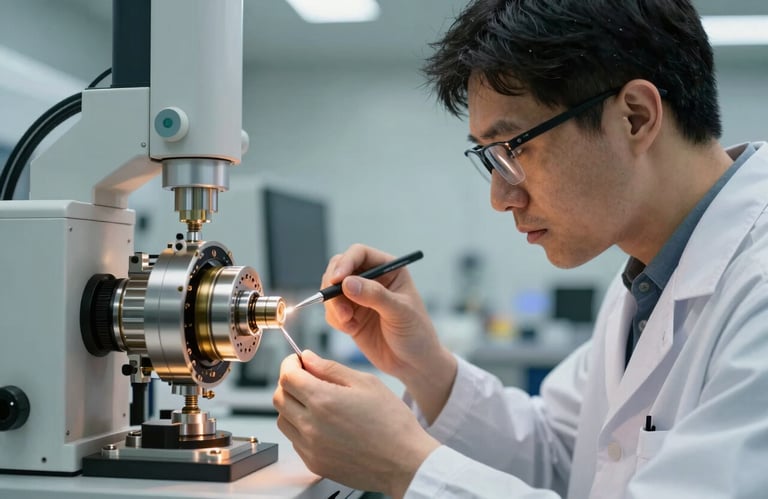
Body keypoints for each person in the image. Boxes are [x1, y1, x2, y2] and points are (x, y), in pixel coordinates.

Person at [272, 0, 768, 497]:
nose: (500, 198)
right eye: (489, 159)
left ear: (635, 117)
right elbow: (556, 453)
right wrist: (425, 366)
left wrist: (404, 465)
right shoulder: (648, 283)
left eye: (513, 148)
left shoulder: (756, 287)